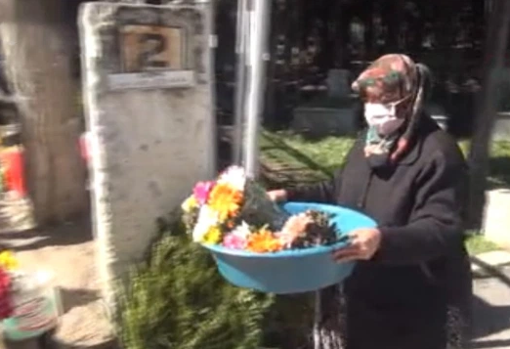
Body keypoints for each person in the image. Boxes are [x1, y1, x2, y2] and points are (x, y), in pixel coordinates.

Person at [268, 54, 473, 349]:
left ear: (409, 99)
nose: (375, 110)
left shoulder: (438, 153)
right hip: (361, 294)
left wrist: (382, 241)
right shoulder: (369, 142)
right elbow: (338, 189)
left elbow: (442, 228)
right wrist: (289, 196)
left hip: (417, 306)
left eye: (385, 101)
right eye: (369, 101)